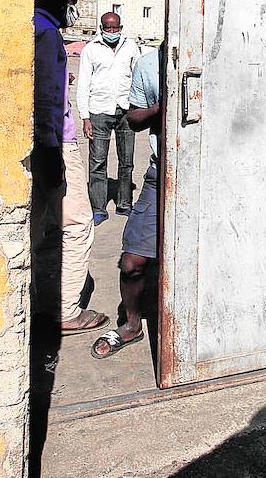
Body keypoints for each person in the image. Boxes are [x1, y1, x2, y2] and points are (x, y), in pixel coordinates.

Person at [33, 0, 107, 334]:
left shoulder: (34, 27)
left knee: (39, 224)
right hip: (56, 144)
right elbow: (46, 98)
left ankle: (32, 297)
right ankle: (65, 311)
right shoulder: (47, 35)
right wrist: (52, 155)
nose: (73, 9)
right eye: (72, 1)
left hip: (42, 143)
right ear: (61, 1)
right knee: (77, 224)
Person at [91, 45, 162, 359]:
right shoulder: (148, 64)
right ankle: (132, 325)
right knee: (133, 262)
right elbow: (133, 117)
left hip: (215, 174)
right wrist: (161, 109)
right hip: (162, 175)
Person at [76, 12, 142, 224]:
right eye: (107, 28)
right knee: (97, 162)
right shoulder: (91, 49)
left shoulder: (131, 47)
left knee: (127, 162)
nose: (111, 32)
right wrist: (85, 117)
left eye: (115, 28)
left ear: (121, 27)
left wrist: (138, 108)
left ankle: (124, 204)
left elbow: (137, 76)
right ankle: (98, 208)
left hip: (125, 110)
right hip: (99, 112)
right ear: (101, 27)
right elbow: (83, 84)